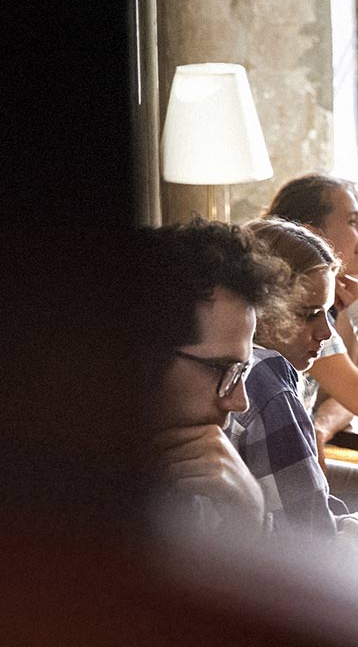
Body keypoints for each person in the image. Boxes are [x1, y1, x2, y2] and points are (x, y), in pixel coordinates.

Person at [227, 218, 358, 542]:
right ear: (258, 310)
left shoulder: (229, 367)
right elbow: (313, 542)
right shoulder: (267, 380)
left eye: (327, 312)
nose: (325, 332)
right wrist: (353, 537)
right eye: (308, 315)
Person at [267, 173, 358, 489]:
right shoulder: (297, 319)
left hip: (303, 460)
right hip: (283, 475)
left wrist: (320, 426)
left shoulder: (333, 302)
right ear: (311, 233)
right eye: (352, 221)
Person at [139, 218, 281, 538]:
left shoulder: (192, 469)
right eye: (223, 370)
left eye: (242, 371)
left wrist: (249, 518)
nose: (240, 402)